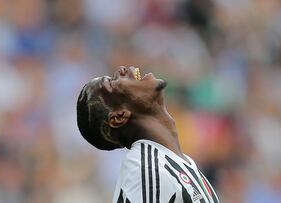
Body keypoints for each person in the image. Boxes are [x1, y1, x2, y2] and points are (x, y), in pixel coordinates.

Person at [77, 66, 220, 203]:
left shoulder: (175, 162)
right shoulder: (144, 168)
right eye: (112, 82)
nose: (122, 68)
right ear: (120, 116)